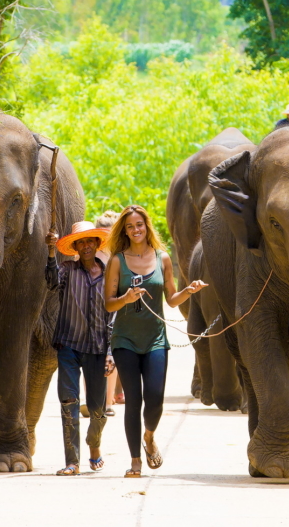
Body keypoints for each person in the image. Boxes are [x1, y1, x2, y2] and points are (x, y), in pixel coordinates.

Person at [103, 205, 207, 478]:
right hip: (125, 339)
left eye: (139, 224)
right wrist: (126, 298)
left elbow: (172, 299)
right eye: (130, 226)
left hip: (156, 340)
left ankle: (149, 437)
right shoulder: (117, 261)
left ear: (146, 226)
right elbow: (108, 304)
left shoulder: (162, 259)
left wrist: (189, 290)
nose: (135, 230)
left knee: (155, 400)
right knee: (133, 401)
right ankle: (135, 461)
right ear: (124, 231)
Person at [45, 221, 116, 476]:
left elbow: (114, 316)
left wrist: (111, 352)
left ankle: (94, 444)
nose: (86, 246)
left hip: (98, 348)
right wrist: (52, 252)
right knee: (69, 401)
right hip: (69, 345)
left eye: (89, 241)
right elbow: (51, 282)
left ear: (97, 244)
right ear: (75, 247)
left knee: (98, 409)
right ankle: (72, 461)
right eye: (80, 242)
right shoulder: (67, 270)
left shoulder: (110, 275)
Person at [95, 210, 122, 417]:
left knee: (111, 354)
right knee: (92, 356)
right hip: (92, 310)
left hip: (113, 308)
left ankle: (108, 400)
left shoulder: (119, 256)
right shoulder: (90, 254)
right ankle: (96, 400)